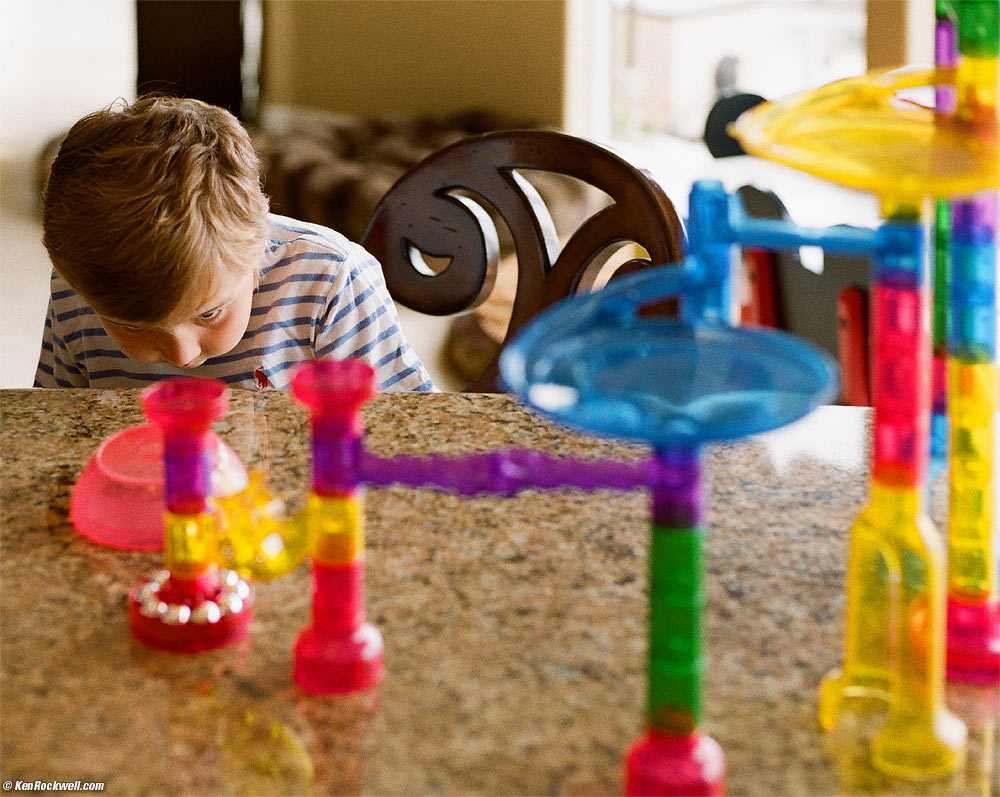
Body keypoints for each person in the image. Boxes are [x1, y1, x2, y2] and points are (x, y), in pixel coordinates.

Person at [34, 95, 435, 392]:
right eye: (131, 326)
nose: (182, 356)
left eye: (209, 313)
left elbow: (402, 430)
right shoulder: (80, 286)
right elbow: (57, 427)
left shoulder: (331, 282)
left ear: (259, 243)